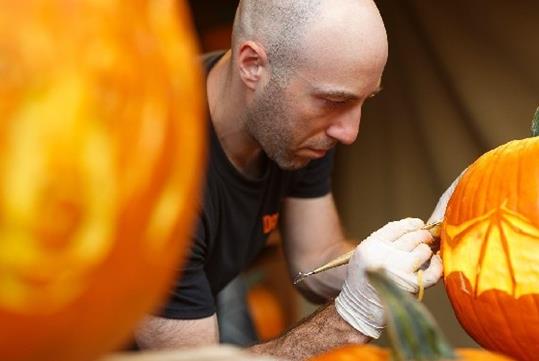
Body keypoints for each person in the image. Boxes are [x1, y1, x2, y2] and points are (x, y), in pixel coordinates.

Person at [135, 0, 448, 359]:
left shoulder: (296, 130)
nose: (349, 132)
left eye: (364, 100)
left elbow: (316, 258)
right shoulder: (155, 180)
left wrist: (412, 253)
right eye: (333, 100)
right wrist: (353, 315)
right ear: (252, 65)